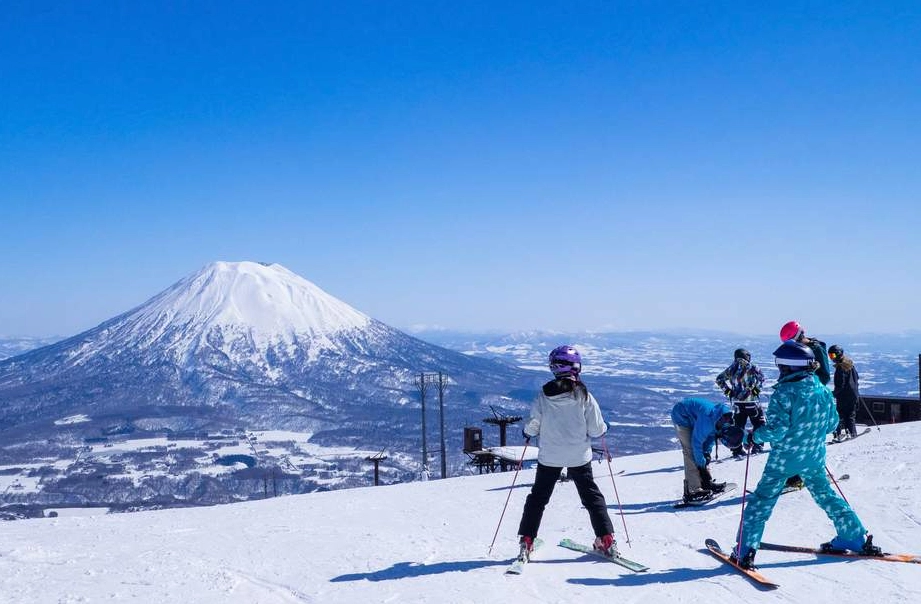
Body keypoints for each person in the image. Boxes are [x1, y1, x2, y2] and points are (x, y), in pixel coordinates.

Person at [729, 339, 881, 570]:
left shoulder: (784, 393)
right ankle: (854, 537)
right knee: (825, 495)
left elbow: (777, 431)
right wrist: (809, 434)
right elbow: (832, 424)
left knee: (762, 501)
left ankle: (745, 550)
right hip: (814, 456)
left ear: (788, 367)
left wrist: (755, 436)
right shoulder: (822, 390)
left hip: (784, 460)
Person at [516, 345, 618, 561]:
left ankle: (527, 541)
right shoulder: (584, 395)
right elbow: (597, 429)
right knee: (591, 497)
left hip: (549, 457)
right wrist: (605, 427)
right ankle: (606, 540)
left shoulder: (543, 395)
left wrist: (527, 432)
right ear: (577, 367)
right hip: (579, 456)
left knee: (538, 498)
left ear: (553, 368)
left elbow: (533, 424)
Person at [779, 321, 832, 489]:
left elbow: (824, 377)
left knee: (803, 437)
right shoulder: (801, 349)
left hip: (811, 398)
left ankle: (803, 475)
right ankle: (796, 475)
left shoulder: (816, 349)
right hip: (799, 396)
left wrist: (809, 377)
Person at [670, 397, 742, 504]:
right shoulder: (708, 422)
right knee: (690, 451)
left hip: (694, 416)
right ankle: (692, 491)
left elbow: (711, 438)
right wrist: (701, 464)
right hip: (681, 416)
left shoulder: (723, 422)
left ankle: (705, 483)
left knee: (702, 454)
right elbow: (696, 443)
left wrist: (707, 454)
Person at [715, 348, 766, 457]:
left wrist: (728, 391)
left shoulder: (732, 368)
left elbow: (719, 379)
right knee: (758, 423)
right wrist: (756, 390)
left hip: (738, 403)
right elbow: (762, 378)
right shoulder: (752, 367)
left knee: (739, 425)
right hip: (751, 401)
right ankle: (757, 446)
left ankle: (737, 449)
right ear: (747, 356)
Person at [829, 344, 860, 441]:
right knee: (850, 415)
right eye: (830, 356)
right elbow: (856, 377)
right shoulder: (850, 364)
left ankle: (839, 435)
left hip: (844, 396)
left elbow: (840, 385)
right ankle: (852, 433)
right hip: (853, 394)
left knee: (838, 415)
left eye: (833, 355)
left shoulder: (840, 368)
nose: (831, 358)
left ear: (838, 354)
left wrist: (832, 394)